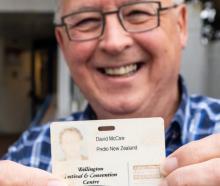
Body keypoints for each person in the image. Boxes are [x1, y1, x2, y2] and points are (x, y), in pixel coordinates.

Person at [1, 0, 220, 185]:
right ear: (62, 43)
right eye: (86, 21)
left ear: (180, 25)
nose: (114, 43)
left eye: (137, 13)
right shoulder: (26, 154)